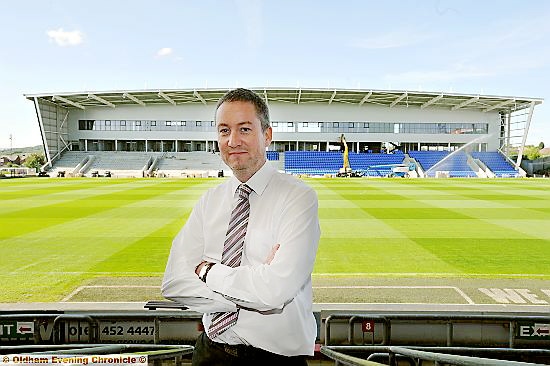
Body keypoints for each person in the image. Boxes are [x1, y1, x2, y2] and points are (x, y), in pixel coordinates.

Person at [162, 88, 321, 366]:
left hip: (276, 360)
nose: (233, 141)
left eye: (244, 129)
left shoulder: (298, 198)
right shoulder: (209, 201)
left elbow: (274, 292)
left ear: (267, 136)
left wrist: (208, 271)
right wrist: (245, 293)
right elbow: (174, 281)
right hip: (210, 353)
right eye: (224, 131)